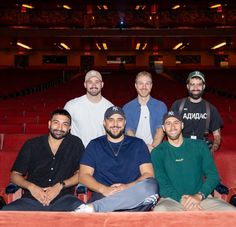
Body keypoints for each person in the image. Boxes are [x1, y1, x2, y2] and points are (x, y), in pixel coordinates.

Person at [74, 106, 159, 212]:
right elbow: (83, 176)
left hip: (133, 196)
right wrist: (104, 190)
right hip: (103, 196)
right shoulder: (94, 145)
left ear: (125, 123)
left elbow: (148, 174)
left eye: (119, 120)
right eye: (111, 120)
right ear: (105, 123)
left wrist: (126, 187)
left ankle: (96, 208)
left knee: (152, 186)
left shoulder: (138, 144)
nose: (115, 124)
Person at [151, 111, 235, 211]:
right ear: (163, 128)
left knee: (231, 212)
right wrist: (183, 201)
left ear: (182, 125)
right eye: (168, 123)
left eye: (176, 122)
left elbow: (213, 176)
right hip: (171, 200)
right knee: (160, 211)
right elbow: (161, 183)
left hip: (201, 198)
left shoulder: (199, 146)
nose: (172, 127)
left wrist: (199, 196)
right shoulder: (157, 152)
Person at [2, 109, 84, 211]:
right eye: (56, 123)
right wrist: (31, 187)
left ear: (69, 128)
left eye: (65, 124)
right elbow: (14, 176)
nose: (60, 128)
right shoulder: (32, 144)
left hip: (64, 199)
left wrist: (60, 186)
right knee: (5, 213)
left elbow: (82, 174)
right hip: (32, 199)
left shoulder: (75, 144)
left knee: (86, 212)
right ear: (49, 124)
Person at [171, 71, 223, 153]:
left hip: (202, 149)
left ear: (204, 86)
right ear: (188, 86)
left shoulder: (211, 109)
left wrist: (212, 150)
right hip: (180, 147)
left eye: (199, 84)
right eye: (192, 84)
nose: (196, 88)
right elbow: (169, 129)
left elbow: (217, 135)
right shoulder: (177, 105)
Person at [64, 70, 113, 147]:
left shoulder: (110, 108)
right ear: (85, 84)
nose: (93, 85)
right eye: (90, 82)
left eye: (97, 81)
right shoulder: (71, 105)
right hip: (78, 151)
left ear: (102, 84)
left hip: (100, 151)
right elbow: (63, 130)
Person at [123, 71, 167, 151]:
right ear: (136, 86)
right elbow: (129, 131)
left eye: (147, 83)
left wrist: (153, 147)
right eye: (140, 83)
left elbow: (160, 129)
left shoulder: (160, 106)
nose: (144, 87)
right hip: (134, 149)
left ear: (151, 86)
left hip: (155, 149)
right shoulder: (127, 107)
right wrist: (141, 148)